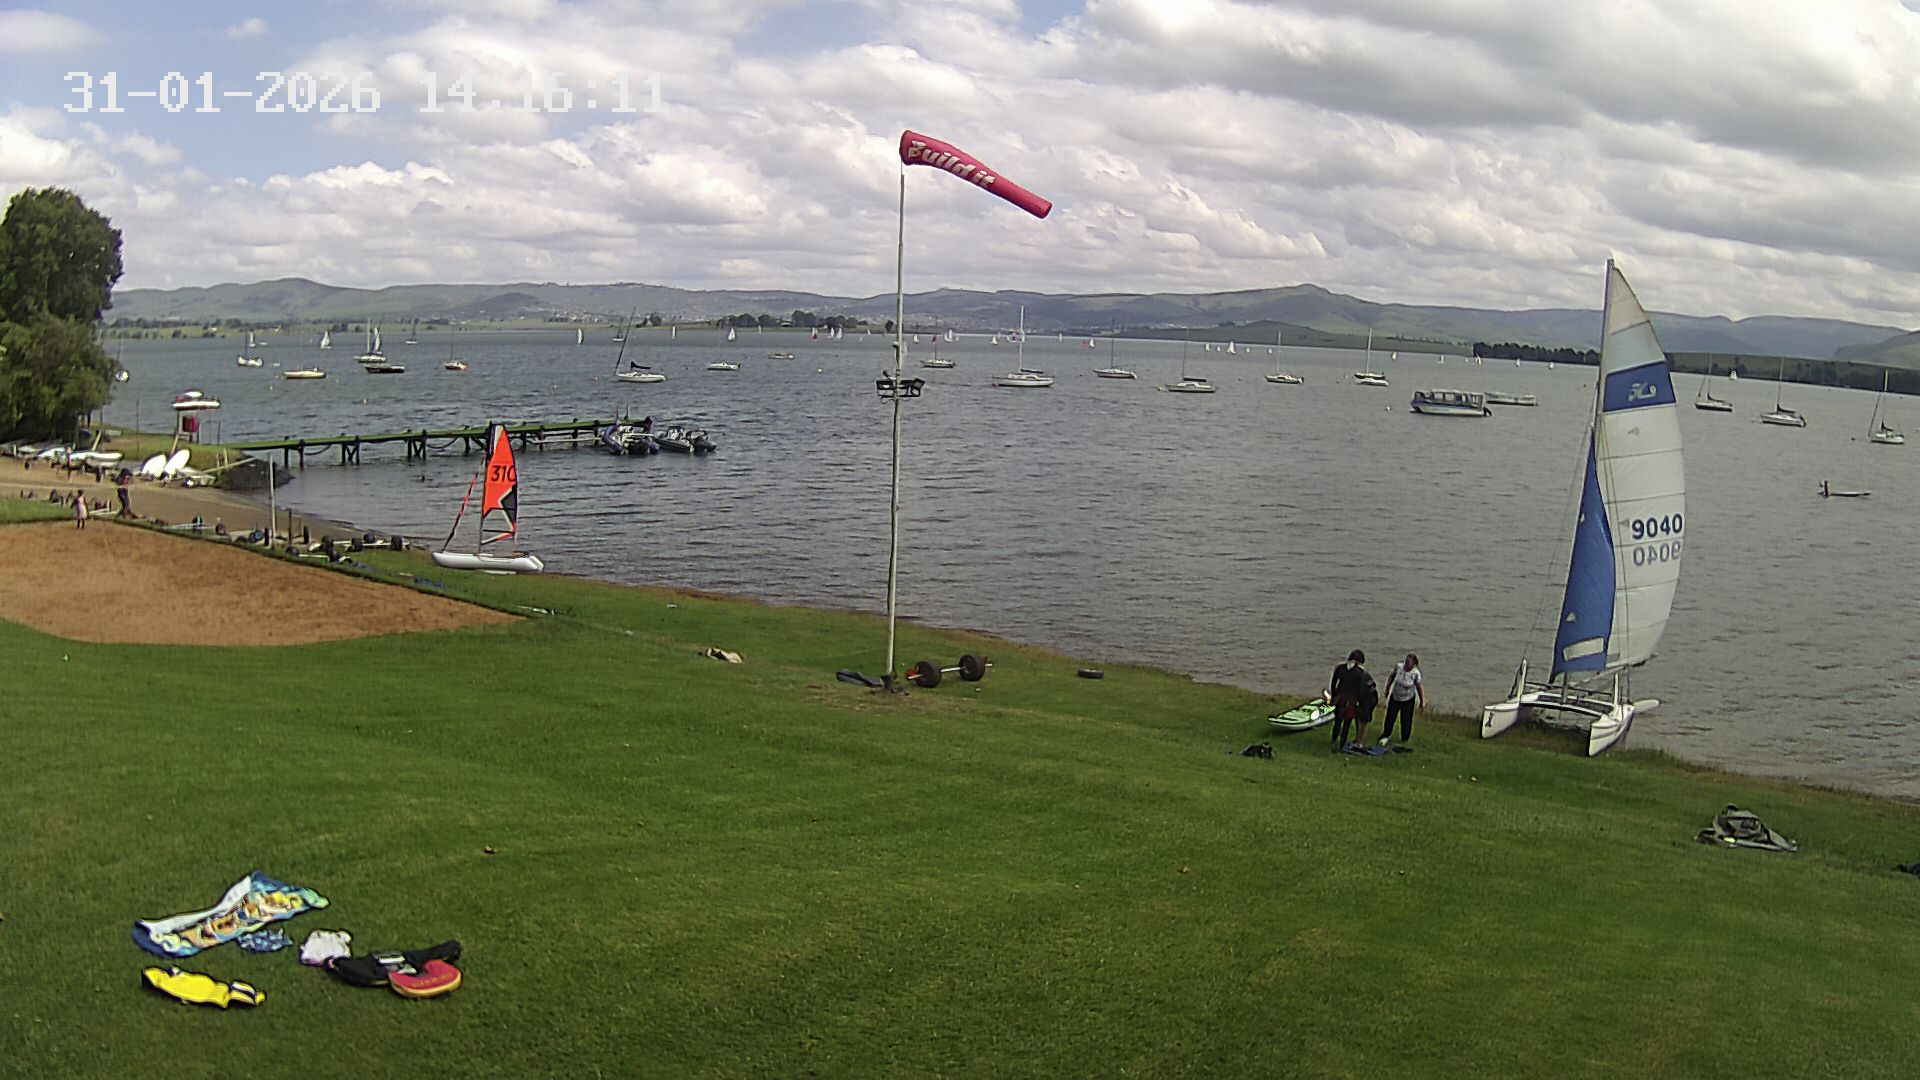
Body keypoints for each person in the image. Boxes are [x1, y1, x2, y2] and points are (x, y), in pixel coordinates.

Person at [1328, 649, 1376, 752]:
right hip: (1351, 700)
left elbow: (1333, 683)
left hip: (1340, 698)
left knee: (1337, 721)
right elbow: (1361, 689)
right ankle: (1341, 745)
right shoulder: (1360, 673)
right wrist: (1358, 700)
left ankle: (1334, 740)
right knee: (1347, 723)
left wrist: (1334, 695)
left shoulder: (1340, 668)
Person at [1380, 653, 1424, 746]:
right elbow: (1391, 677)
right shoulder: (1398, 667)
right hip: (1395, 697)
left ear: (1414, 664)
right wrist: (1387, 688)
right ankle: (1386, 734)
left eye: (1409, 662)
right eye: (1406, 661)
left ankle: (1405, 738)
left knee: (1406, 720)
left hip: (1408, 700)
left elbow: (1419, 687)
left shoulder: (1416, 673)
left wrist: (1421, 701)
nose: (1406, 664)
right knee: (1390, 717)